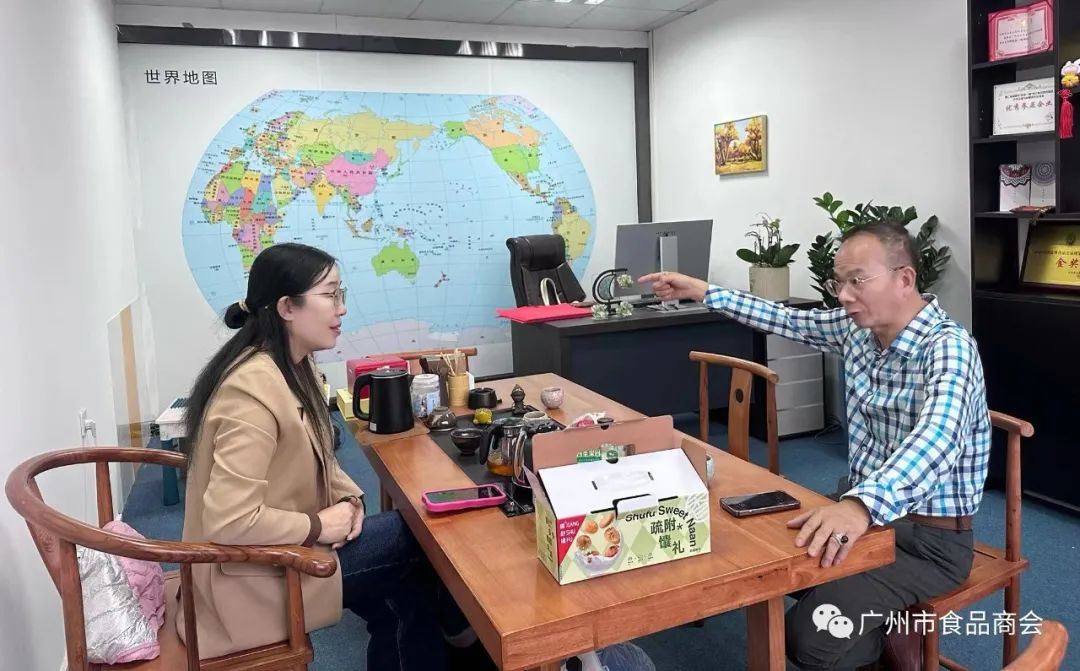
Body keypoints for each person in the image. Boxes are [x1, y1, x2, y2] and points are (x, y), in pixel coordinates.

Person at [641, 221, 990, 670]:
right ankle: (881, 619)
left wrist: (860, 507)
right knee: (761, 558)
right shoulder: (857, 330)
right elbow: (784, 318)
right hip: (861, 510)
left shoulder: (949, 348)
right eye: (838, 282)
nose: (843, 295)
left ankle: (890, 642)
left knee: (808, 639)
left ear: (904, 279)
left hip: (928, 541)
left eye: (857, 281)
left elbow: (936, 440)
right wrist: (704, 291)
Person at [179, 243, 488, 669]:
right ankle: (467, 640)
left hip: (279, 552)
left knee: (406, 587)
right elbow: (229, 521)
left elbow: (322, 456)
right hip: (251, 576)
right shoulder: (249, 393)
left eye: (340, 294)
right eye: (330, 295)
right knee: (421, 542)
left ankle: (459, 643)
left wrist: (350, 501)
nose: (341, 308)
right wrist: (318, 525)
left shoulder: (292, 366)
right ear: (287, 307)